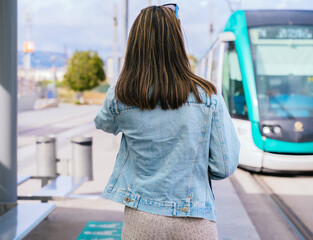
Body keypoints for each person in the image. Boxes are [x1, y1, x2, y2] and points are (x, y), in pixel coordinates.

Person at [94, 4, 240, 240]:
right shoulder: (208, 96)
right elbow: (224, 166)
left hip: (141, 219)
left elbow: (103, 123)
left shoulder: (121, 94)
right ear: (177, 42)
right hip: (194, 219)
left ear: (135, 45)